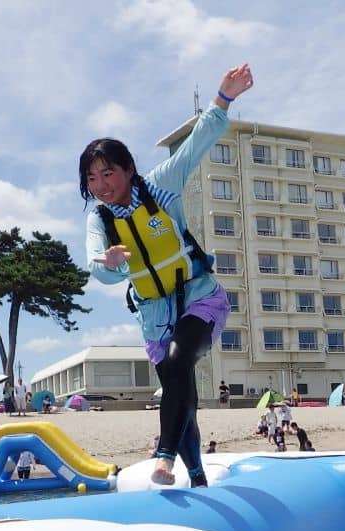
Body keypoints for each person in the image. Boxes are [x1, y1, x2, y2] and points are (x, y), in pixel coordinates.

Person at [85, 64, 253, 488]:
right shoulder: (100, 221)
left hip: (199, 297)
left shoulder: (161, 186)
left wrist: (223, 99)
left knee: (181, 362)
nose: (101, 184)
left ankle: (163, 456)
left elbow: (196, 144)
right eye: (92, 178)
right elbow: (98, 269)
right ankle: (196, 477)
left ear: (127, 169)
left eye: (108, 173)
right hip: (154, 317)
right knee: (184, 399)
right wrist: (110, 263)